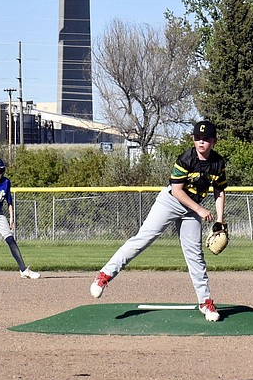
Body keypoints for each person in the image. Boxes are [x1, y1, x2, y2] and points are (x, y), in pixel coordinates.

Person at [89, 119, 228, 321]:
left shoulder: (218, 163)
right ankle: (104, 275)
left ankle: (205, 302)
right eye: (197, 138)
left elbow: (219, 191)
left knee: (195, 256)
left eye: (205, 139)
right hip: (171, 202)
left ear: (214, 141)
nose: (201, 142)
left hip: (192, 211)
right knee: (143, 239)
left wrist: (220, 221)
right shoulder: (185, 159)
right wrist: (200, 209)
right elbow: (177, 191)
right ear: (193, 139)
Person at [0, 157, 40, 280]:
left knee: (10, 239)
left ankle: (23, 270)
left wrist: (11, 218)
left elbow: (9, 201)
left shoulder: (6, 182)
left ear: (2, 171)